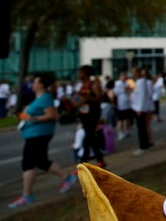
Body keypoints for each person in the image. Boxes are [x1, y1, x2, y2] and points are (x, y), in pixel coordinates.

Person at [8, 74, 78, 208]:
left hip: (39, 133)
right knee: (39, 161)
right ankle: (29, 194)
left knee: (29, 163)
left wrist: (32, 118)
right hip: (33, 133)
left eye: (35, 82)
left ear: (41, 85)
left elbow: (52, 115)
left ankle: (27, 195)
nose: (32, 84)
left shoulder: (46, 97)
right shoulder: (39, 98)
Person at [72, 65, 105, 168]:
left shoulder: (93, 84)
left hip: (93, 113)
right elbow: (80, 99)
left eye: (80, 72)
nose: (78, 74)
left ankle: (83, 163)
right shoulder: (82, 85)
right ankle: (100, 160)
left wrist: (88, 97)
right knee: (91, 137)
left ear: (85, 73)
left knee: (87, 139)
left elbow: (98, 98)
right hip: (84, 114)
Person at [131, 67, 155, 155]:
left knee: (142, 128)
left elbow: (142, 96)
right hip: (137, 107)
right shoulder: (138, 82)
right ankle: (145, 144)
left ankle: (143, 146)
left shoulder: (142, 82)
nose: (133, 74)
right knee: (142, 127)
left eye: (134, 72)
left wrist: (140, 109)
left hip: (140, 108)